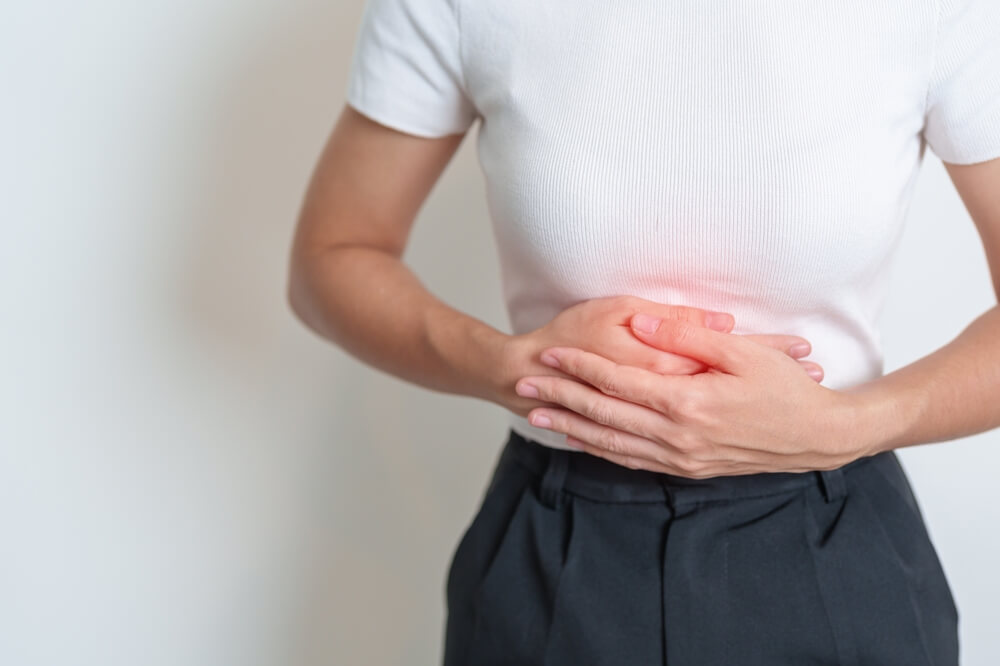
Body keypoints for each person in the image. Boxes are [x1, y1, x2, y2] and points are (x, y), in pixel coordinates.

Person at [287, 0, 1000, 663]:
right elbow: (332, 258)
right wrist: (512, 368)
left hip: (830, 546)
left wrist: (849, 424)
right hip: (558, 543)